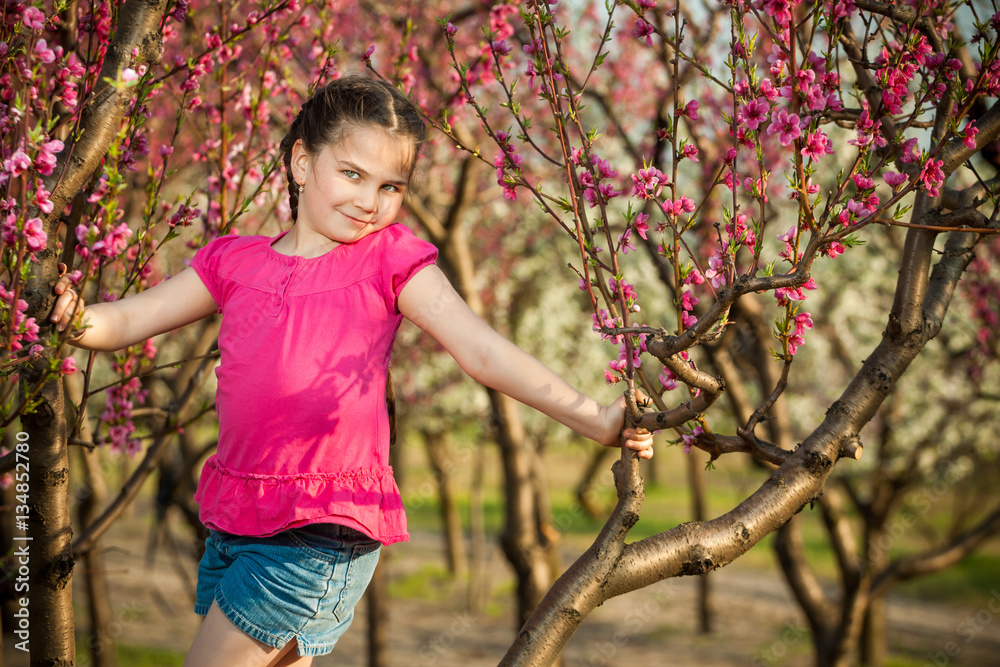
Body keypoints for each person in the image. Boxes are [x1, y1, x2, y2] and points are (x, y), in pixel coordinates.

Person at [51, 75, 653, 667]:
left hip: (320, 526)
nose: (369, 201)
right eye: (352, 174)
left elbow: (481, 351)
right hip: (236, 518)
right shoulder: (231, 261)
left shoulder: (389, 260)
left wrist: (594, 417)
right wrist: (75, 317)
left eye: (391, 185)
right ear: (301, 162)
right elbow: (129, 321)